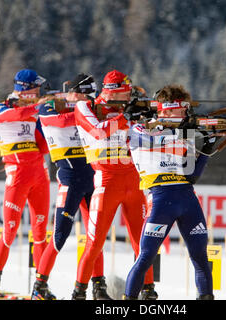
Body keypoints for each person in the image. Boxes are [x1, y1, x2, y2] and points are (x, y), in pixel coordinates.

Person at [123, 84, 215, 300]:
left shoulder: (182, 132)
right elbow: (151, 140)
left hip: (187, 198)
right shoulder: (139, 128)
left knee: (201, 256)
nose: (185, 113)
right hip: (160, 197)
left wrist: (208, 147)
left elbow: (191, 175)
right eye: (180, 109)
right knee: (145, 256)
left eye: (185, 109)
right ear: (165, 110)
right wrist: (181, 133)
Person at [72, 69, 155, 300]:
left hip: (135, 180)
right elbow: (98, 132)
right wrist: (123, 117)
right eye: (125, 93)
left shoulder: (129, 109)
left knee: (144, 243)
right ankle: (79, 292)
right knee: (95, 242)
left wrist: (149, 119)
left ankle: (148, 292)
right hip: (106, 181)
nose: (129, 97)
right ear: (114, 92)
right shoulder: (86, 107)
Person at [32, 73, 110, 300]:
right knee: (59, 237)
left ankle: (98, 287)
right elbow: (58, 121)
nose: (88, 99)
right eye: (85, 95)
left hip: (91, 178)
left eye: (91, 95)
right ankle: (39, 287)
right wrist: (86, 112)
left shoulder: (89, 109)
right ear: (73, 94)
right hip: (69, 180)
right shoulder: (50, 107)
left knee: (96, 238)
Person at [0, 69, 51, 299]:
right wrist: (37, 108)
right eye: (36, 88)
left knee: (41, 234)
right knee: (9, 232)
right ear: (25, 88)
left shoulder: (33, 112)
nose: (39, 92)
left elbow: (43, 147)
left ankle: (40, 287)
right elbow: (11, 116)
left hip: (39, 174)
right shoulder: (0, 107)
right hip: (17, 175)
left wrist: (43, 120)